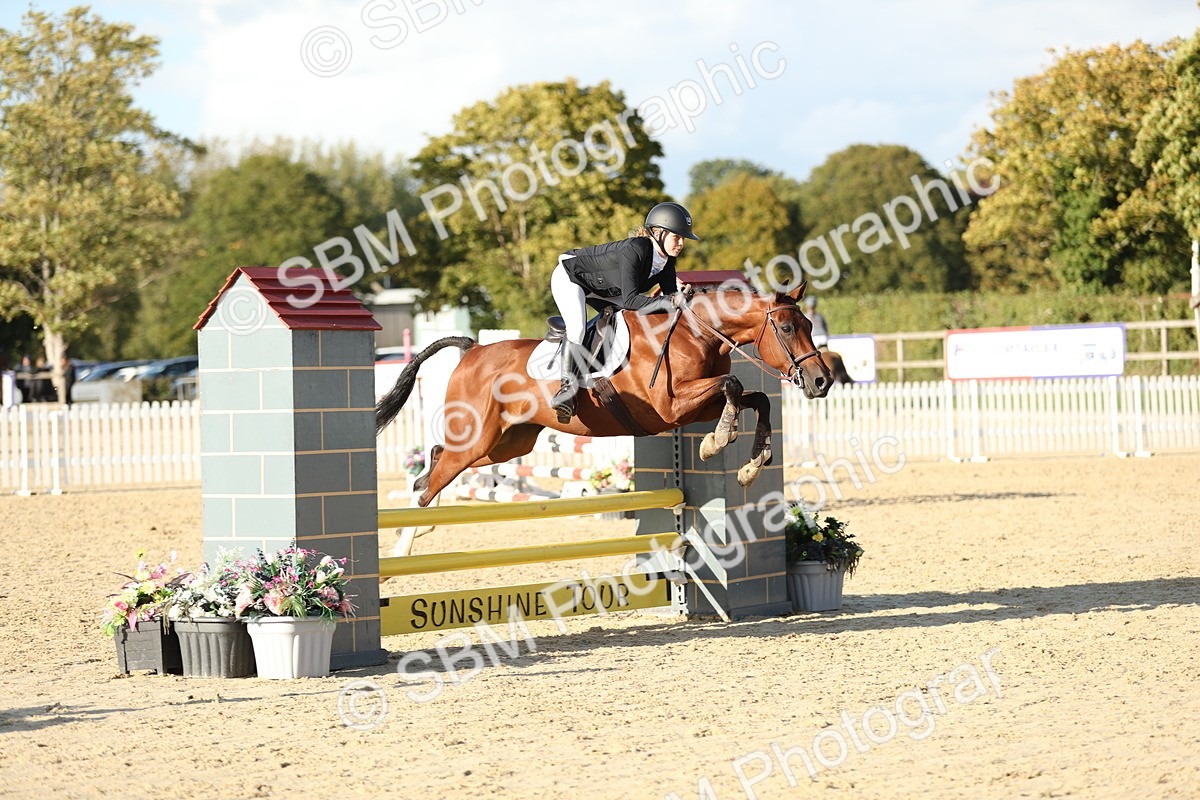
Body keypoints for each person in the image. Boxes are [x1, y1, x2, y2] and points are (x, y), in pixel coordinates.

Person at [549, 202, 699, 422]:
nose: (681, 243)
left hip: (603, 289)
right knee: (577, 328)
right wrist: (671, 301)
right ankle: (566, 389)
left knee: (628, 320)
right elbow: (631, 300)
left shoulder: (667, 261)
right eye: (677, 237)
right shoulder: (636, 249)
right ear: (658, 233)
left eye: (683, 238)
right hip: (571, 278)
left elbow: (670, 301)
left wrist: (685, 301)